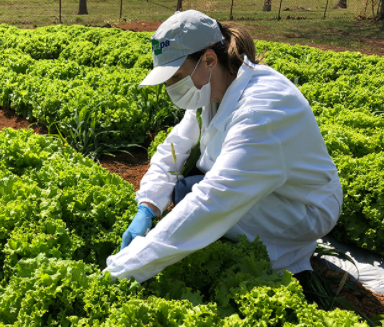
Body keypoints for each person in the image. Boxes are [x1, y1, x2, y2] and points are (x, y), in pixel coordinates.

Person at [103, 10, 343, 283]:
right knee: (185, 189)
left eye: (176, 76)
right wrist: (147, 205)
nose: (172, 87)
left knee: (193, 197)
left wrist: (123, 269)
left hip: (301, 208)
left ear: (208, 60)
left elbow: (214, 201)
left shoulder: (262, 111)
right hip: (268, 188)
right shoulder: (212, 89)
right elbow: (175, 148)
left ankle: (280, 262)